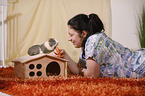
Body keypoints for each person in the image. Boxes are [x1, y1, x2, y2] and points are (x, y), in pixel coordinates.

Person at [54, 13, 145, 78]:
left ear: (83, 33)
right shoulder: (86, 45)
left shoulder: (93, 41)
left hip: (141, 65)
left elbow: (92, 75)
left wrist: (83, 70)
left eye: (71, 35)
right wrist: (65, 55)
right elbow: (78, 69)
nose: (69, 39)